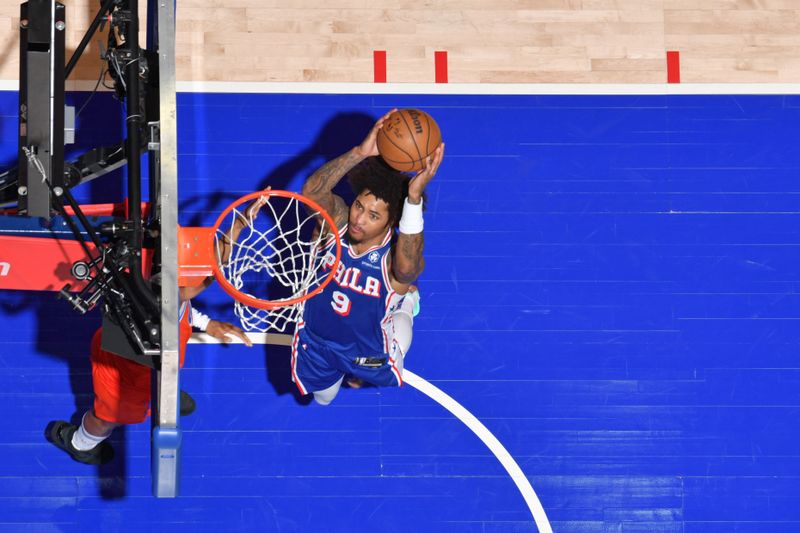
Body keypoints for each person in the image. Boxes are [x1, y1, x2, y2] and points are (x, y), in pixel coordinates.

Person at [45, 198, 266, 465]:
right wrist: (220, 260)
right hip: (121, 372)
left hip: (156, 361)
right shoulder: (159, 291)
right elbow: (199, 281)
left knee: (164, 370)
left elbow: (193, 288)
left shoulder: (165, 275)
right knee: (107, 418)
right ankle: (80, 443)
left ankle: (160, 395)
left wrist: (241, 223)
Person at [294, 109, 444, 405]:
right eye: (359, 206)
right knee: (323, 398)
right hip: (316, 339)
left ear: (391, 221)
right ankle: (334, 376)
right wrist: (360, 153)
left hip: (368, 349)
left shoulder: (393, 259)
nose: (359, 219)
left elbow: (408, 269)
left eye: (373, 215)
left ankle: (408, 303)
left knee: (401, 315)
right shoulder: (334, 224)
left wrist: (413, 198)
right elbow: (313, 193)